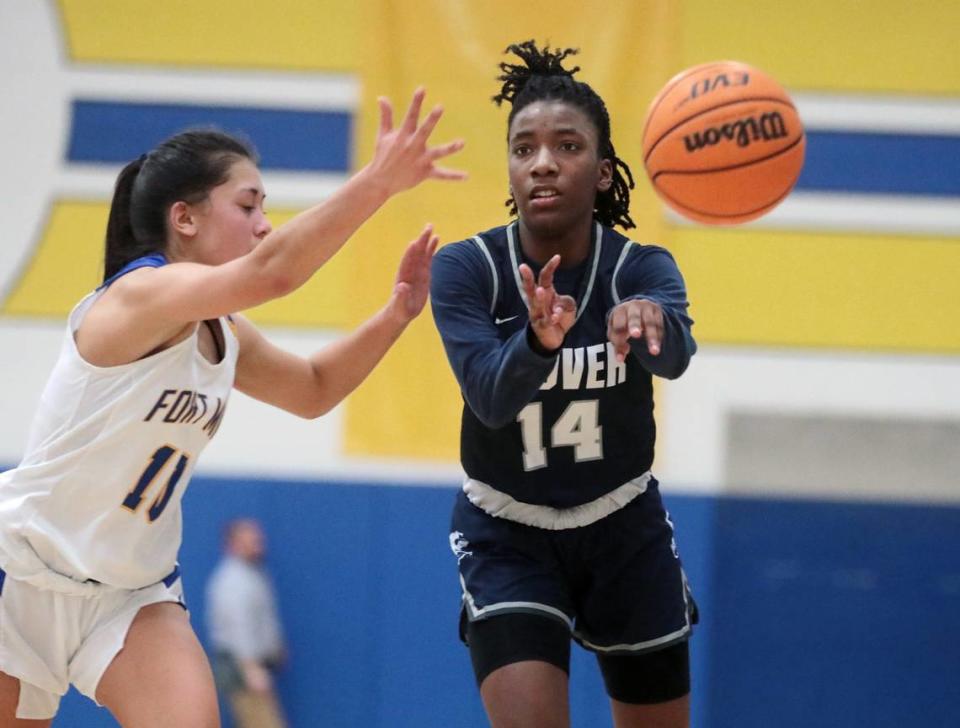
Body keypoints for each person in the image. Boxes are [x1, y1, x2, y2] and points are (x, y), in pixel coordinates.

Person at [0, 88, 464, 727]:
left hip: (129, 596)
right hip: (20, 576)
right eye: (248, 205)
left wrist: (395, 314)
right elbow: (275, 273)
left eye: (264, 209)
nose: (264, 223)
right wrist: (378, 180)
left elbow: (313, 390)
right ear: (184, 218)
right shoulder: (139, 297)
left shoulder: (223, 330)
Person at [430, 42, 697, 728]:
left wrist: (653, 325)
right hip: (506, 531)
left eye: (567, 145)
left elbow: (677, 360)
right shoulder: (467, 269)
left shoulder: (640, 269)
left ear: (604, 173)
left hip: (623, 525)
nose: (541, 161)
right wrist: (538, 341)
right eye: (524, 148)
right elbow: (489, 397)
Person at [206, 519, 287, 728]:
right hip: (241, 666)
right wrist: (250, 668)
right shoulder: (233, 580)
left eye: (258, 540)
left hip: (253, 664)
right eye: (250, 541)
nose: (258, 545)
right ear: (232, 544)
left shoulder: (253, 574)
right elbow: (238, 626)